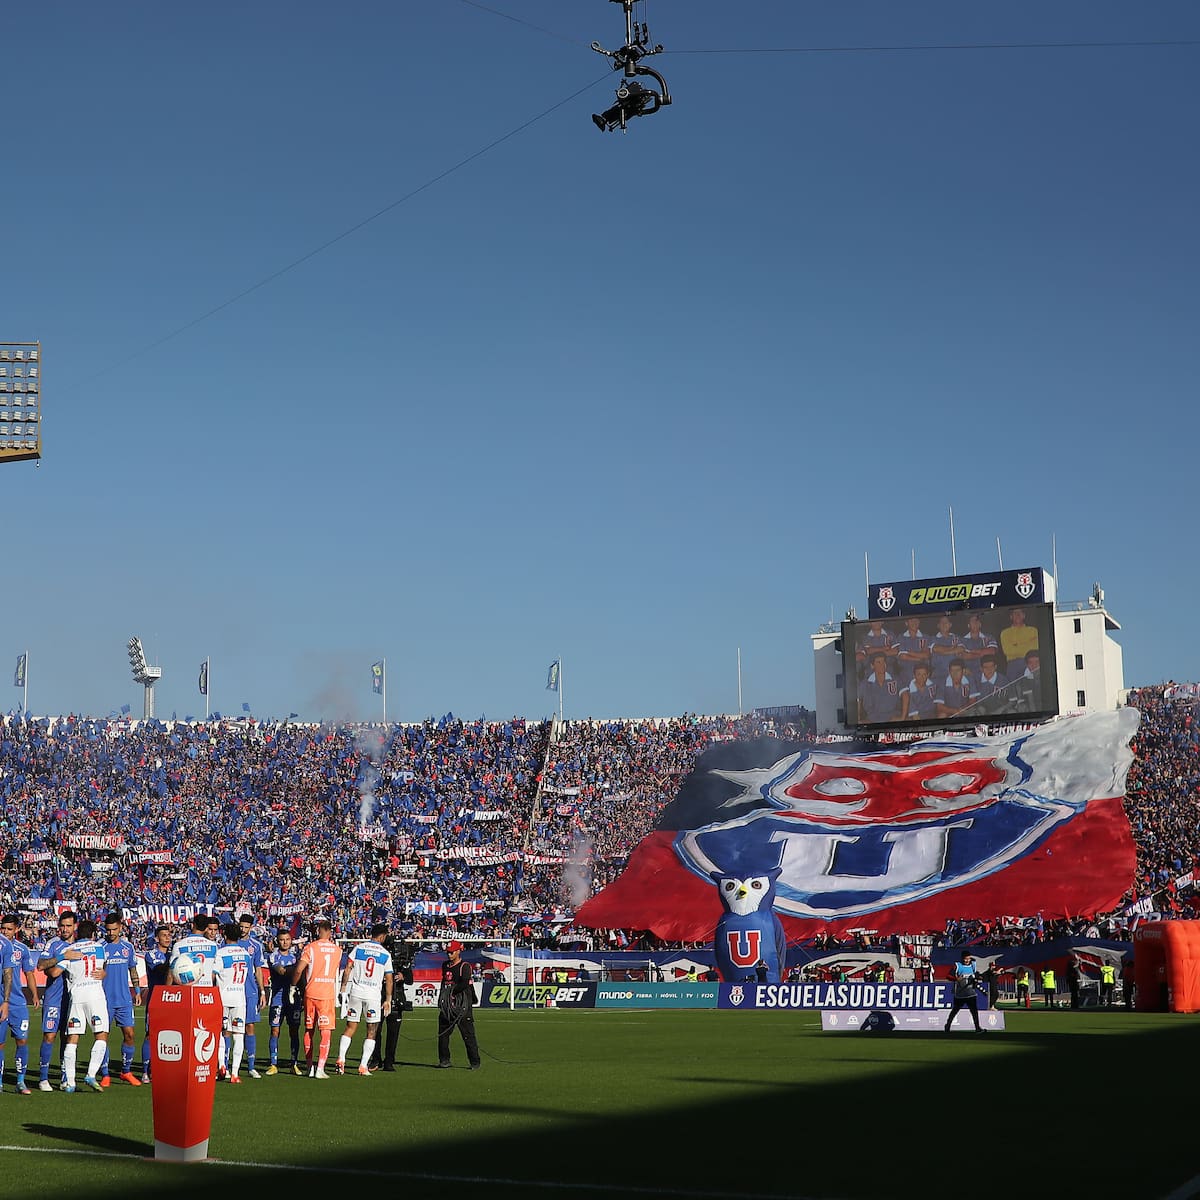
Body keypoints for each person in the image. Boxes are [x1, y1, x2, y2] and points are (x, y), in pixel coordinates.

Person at [57, 919, 110, 1092]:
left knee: (72, 1039)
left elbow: (56, 971)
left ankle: (71, 1083)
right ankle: (91, 1074)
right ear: (93, 934)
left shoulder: (69, 950)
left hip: (77, 996)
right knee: (101, 1035)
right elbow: (103, 966)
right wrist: (103, 972)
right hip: (95, 995)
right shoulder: (100, 947)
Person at [336, 922, 393, 1076]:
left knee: (350, 1027)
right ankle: (362, 1066)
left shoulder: (358, 948)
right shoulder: (385, 954)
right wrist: (388, 999)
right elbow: (389, 979)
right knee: (371, 1031)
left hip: (356, 992)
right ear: (382, 936)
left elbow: (347, 968)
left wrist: (343, 988)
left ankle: (341, 1059)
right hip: (373, 996)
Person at [292, 919, 340, 1078]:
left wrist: (293, 986)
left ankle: (309, 1067)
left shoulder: (310, 948)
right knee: (325, 1032)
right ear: (330, 932)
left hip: (311, 993)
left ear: (319, 930)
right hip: (327, 995)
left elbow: (298, 970)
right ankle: (320, 1068)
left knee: (309, 1029)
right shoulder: (337, 950)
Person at [35, 909, 77, 1092]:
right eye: (62, 926)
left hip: (73, 999)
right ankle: (43, 1078)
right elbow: (41, 965)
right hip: (53, 998)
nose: (65, 929)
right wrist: (62, 957)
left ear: (75, 926)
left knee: (68, 1038)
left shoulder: (81, 945)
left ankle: (65, 1077)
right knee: (49, 1036)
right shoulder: (53, 943)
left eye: (68, 926)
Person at [98, 912, 141, 1087]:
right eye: (108, 930)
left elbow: (133, 970)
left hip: (124, 1000)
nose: (111, 933)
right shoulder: (100, 947)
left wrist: (137, 991)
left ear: (120, 928)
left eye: (114, 929)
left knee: (130, 1035)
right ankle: (105, 1074)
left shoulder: (128, 947)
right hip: (104, 1000)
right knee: (103, 1038)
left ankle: (126, 1071)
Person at [0, 913, 39, 1095]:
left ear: (17, 929)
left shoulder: (22, 949)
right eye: (3, 928)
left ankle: (20, 1081)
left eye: (9, 929)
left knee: (22, 1040)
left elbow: (29, 973)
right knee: (0, 1044)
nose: (5, 932)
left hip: (18, 1003)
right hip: (2, 1003)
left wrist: (35, 995)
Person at [212, 923, 254, 1084]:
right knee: (238, 1035)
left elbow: (213, 975)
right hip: (239, 999)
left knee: (220, 1032)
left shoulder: (221, 953)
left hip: (222, 998)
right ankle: (235, 1073)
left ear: (224, 935)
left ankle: (222, 1065)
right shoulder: (245, 954)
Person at [437, 940, 480, 1070]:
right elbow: (444, 981)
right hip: (448, 1007)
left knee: (468, 1035)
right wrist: (442, 998)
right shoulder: (445, 965)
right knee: (443, 1034)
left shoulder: (464, 966)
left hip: (462, 1006)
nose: (449, 955)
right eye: (448, 952)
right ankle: (444, 1060)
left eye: (451, 952)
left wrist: (452, 993)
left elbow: (465, 983)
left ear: (458, 951)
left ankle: (474, 1062)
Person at [237, 911, 269, 1079]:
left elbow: (258, 970)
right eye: (241, 926)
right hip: (233, 991)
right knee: (229, 1028)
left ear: (251, 928)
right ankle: (226, 1065)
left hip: (250, 991)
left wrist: (262, 992)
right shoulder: (230, 942)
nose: (242, 929)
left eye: (246, 927)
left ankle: (250, 1066)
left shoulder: (255, 945)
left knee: (250, 1026)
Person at [266, 926, 302, 1075]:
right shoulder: (273, 956)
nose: (285, 942)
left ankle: (294, 1064)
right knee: (275, 1030)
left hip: (294, 999)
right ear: (277, 941)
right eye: (282, 940)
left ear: (291, 941)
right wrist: (298, 969)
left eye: (287, 939)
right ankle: (273, 1064)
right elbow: (281, 971)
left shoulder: (295, 957)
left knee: (294, 1031)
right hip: (278, 998)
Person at [140, 924, 174, 1083]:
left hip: (172, 1000)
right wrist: (175, 963)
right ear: (156, 938)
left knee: (170, 1035)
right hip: (156, 999)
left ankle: (161, 1068)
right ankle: (145, 1071)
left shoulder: (173, 954)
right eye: (164, 935)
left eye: (169, 935)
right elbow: (160, 970)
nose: (167, 938)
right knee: (150, 1034)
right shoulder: (151, 954)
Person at [170, 913, 220, 986]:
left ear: (192, 925)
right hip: (206, 989)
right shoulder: (213, 946)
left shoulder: (179, 945)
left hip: (187, 989)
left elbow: (172, 971)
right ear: (206, 928)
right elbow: (213, 973)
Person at [944, 950, 984, 1033]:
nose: (967, 960)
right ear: (962, 958)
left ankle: (977, 1028)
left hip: (971, 993)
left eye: (969, 959)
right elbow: (948, 976)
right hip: (960, 994)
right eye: (965, 959)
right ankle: (948, 1025)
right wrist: (956, 979)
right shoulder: (958, 966)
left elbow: (975, 975)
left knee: (974, 1011)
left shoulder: (973, 965)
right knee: (955, 1010)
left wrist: (977, 978)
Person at [859, 653, 902, 724]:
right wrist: (858, 719)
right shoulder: (865, 683)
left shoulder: (895, 679)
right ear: (872, 666)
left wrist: (903, 717)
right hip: (872, 719)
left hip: (892, 717)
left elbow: (905, 694)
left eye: (883, 662)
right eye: (878, 662)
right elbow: (858, 700)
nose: (882, 665)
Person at [1000, 607, 1039, 675]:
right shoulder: (1005, 633)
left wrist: (1016, 646)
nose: (1018, 615)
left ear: (1024, 616)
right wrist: (1027, 644)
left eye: (1020, 612)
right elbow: (1007, 650)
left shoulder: (1033, 630)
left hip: (1031, 663)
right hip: (1013, 664)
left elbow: (1035, 647)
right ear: (1011, 617)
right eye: (1015, 613)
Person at [895, 617, 931, 686]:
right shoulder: (901, 637)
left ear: (919, 622)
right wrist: (919, 658)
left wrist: (908, 652)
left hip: (923, 673)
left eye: (916, 620)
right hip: (906, 673)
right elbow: (902, 656)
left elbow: (926, 655)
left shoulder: (925, 637)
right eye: (911, 620)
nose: (914, 622)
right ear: (906, 623)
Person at [959, 612, 997, 676]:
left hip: (987, 673)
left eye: (977, 621)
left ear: (980, 624)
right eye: (972, 621)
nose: (975, 623)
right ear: (968, 625)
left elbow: (992, 651)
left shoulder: (989, 637)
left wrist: (971, 651)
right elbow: (965, 656)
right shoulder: (962, 640)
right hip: (969, 673)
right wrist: (983, 653)